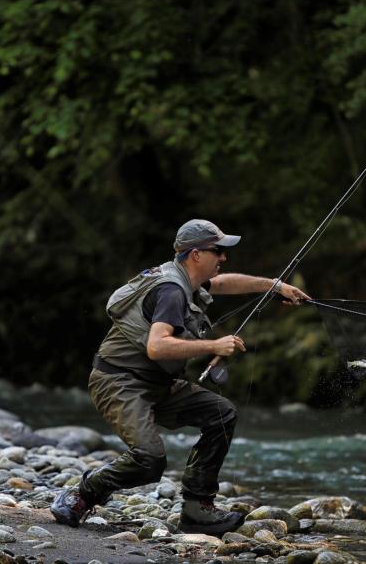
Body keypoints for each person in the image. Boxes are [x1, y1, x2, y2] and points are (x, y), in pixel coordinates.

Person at [50, 219, 309, 535]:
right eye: (218, 251)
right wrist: (215, 345)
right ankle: (85, 493)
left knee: (221, 414)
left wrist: (274, 286)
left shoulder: (187, 280)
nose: (223, 257)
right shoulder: (171, 291)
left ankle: (197, 509)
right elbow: (157, 347)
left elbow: (225, 283)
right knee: (149, 460)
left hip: (157, 383)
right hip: (119, 381)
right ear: (196, 254)